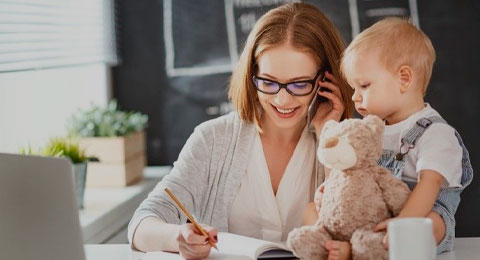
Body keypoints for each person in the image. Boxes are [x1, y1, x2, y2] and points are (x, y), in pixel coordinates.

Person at [127, 3, 354, 259]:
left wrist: (329, 135)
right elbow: (141, 225)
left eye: (299, 84)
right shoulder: (213, 139)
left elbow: (351, 233)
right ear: (252, 75)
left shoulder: (347, 144)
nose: (282, 100)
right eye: (268, 82)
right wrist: (178, 237)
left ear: (325, 81)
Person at [305, 17, 473, 260]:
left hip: (418, 215)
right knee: (311, 210)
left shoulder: (436, 132)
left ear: (404, 79)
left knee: (431, 224)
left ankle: (353, 250)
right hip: (372, 215)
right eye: (353, 88)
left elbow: (429, 184)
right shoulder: (369, 129)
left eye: (363, 85)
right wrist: (331, 193)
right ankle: (343, 245)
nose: (354, 97)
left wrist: (402, 224)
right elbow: (346, 171)